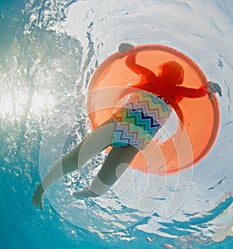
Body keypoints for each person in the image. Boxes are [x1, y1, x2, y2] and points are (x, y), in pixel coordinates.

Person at [32, 43, 222, 209]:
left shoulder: (178, 92)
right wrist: (129, 51)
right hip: (118, 124)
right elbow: (132, 65)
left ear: (178, 79)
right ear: (161, 69)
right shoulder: (150, 77)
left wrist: (208, 87)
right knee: (76, 157)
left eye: (176, 73)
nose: (172, 73)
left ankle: (90, 192)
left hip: (137, 140)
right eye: (169, 69)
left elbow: (197, 93)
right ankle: (43, 186)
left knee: (105, 181)